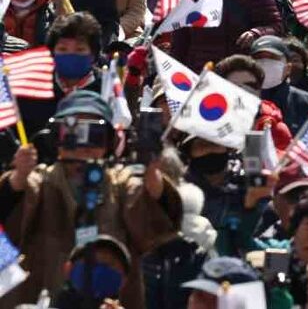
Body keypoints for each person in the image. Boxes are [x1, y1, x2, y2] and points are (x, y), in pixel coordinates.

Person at [0, 91, 182, 309]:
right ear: (57, 137)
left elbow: (157, 226)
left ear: (108, 141)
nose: (83, 143)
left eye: (93, 132)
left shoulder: (120, 184)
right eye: (73, 131)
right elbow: (11, 216)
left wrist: (152, 171)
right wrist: (19, 176)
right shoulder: (41, 181)